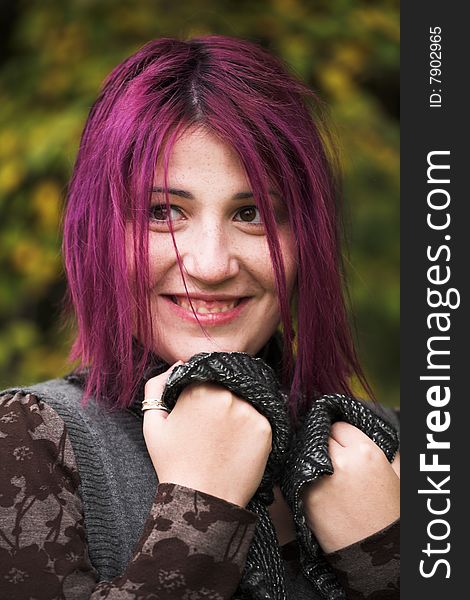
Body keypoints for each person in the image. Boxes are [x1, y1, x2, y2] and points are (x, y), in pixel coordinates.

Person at [0, 35, 400, 599]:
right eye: (164, 212)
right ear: (99, 232)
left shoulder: (402, 449)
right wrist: (199, 512)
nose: (211, 264)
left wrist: (392, 561)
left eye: (253, 211)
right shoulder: (33, 445)